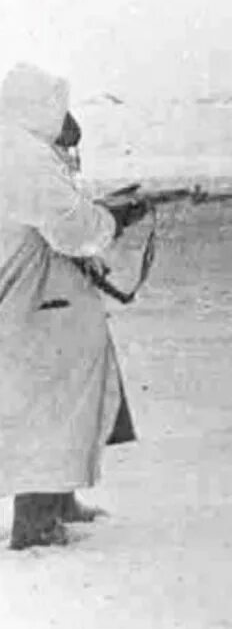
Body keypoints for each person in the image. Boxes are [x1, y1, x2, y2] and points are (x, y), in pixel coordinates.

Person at [0, 62, 149, 549]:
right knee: (52, 404)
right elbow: (72, 229)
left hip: (35, 295)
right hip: (37, 299)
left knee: (58, 399)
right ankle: (38, 521)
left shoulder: (17, 148)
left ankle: (57, 500)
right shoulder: (24, 157)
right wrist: (111, 219)